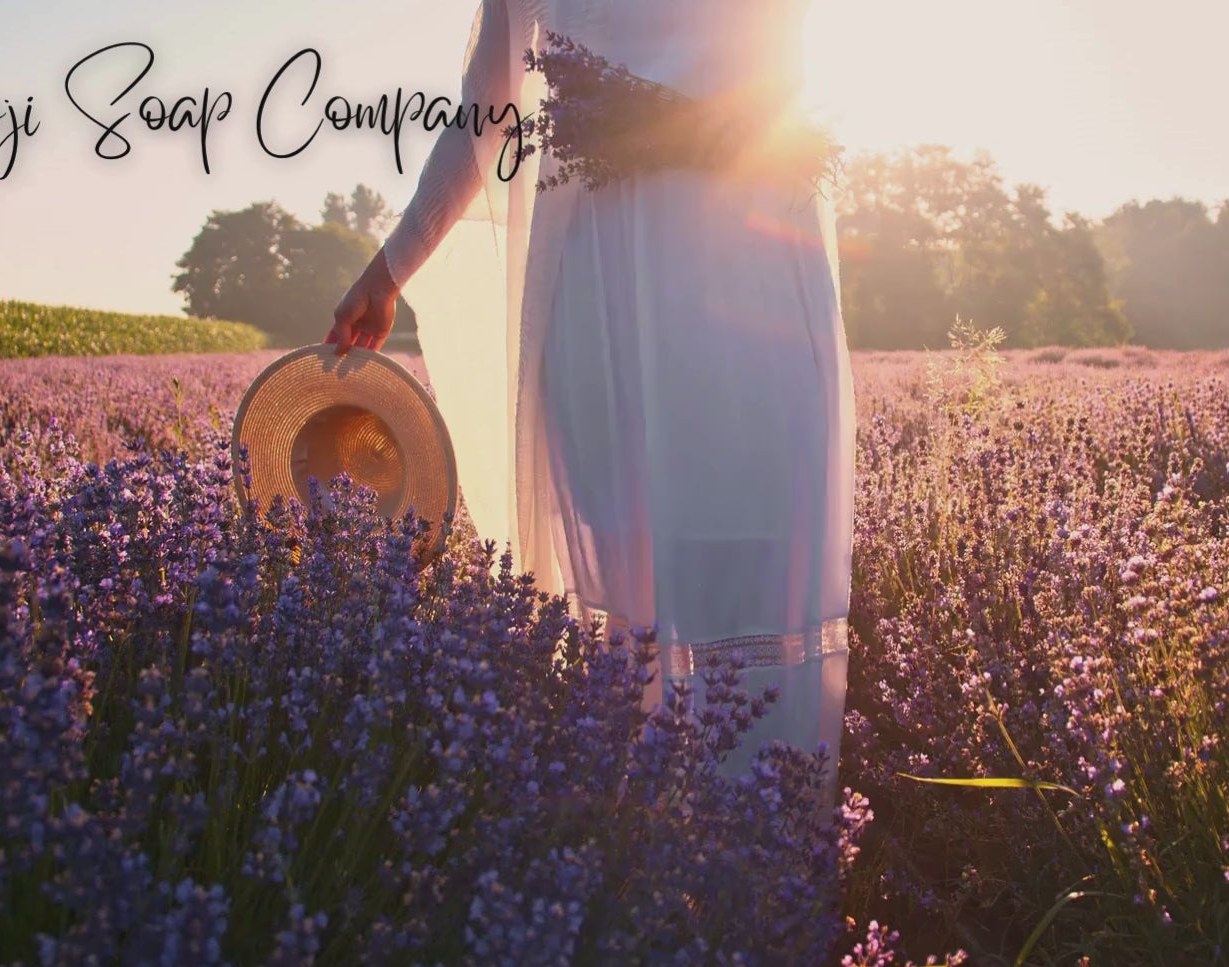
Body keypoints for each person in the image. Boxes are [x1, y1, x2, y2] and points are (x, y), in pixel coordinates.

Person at [325, 0, 853, 793]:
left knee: (759, 531)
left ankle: (756, 853)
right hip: (606, 274)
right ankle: (624, 849)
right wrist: (392, 265)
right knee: (620, 546)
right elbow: (486, 115)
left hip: (751, 258)